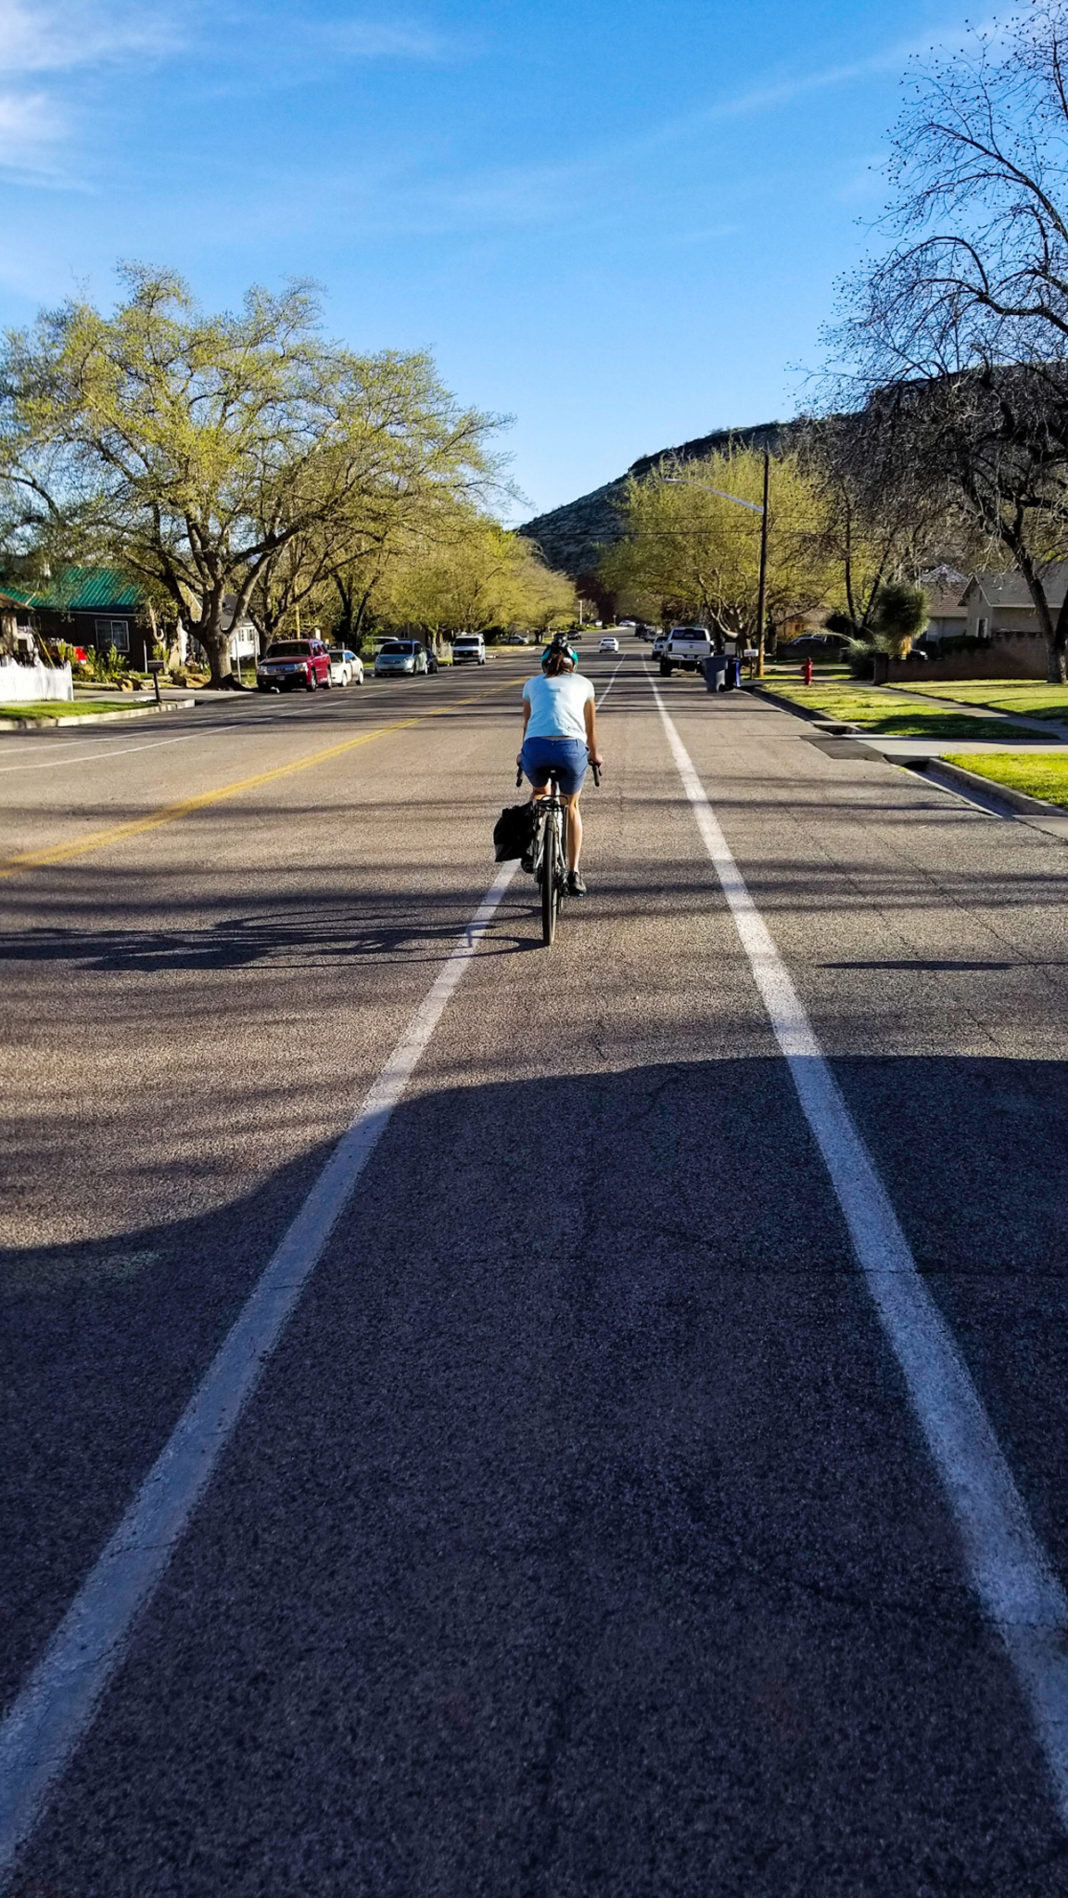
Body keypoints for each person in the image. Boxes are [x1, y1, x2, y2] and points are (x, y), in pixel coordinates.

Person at [517, 635, 603, 895]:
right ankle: (574, 873)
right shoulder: (585, 685)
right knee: (571, 806)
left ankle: (531, 844)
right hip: (571, 751)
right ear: (573, 664)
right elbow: (590, 731)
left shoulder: (532, 684)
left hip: (536, 749)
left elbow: (528, 726)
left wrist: (522, 754)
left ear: (544, 663)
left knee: (539, 792)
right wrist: (595, 756)